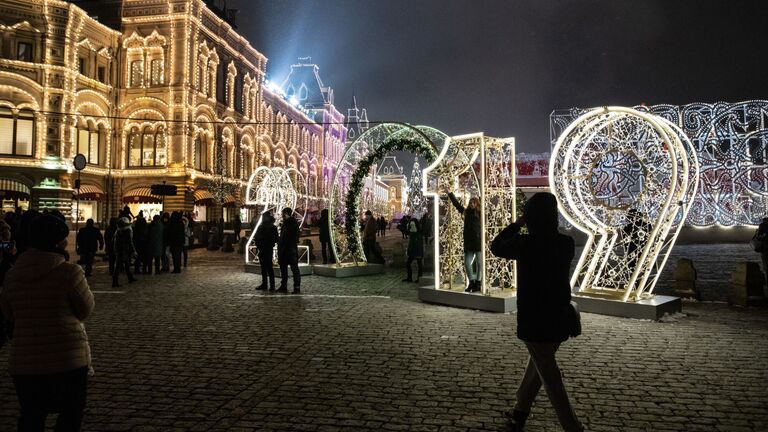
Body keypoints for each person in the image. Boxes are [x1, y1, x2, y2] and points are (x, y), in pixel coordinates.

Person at [490, 192, 583, 432]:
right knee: (538, 365)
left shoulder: (526, 244)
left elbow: (495, 246)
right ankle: (519, 412)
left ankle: (572, 427)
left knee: (551, 379)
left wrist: (516, 224)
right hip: (559, 317)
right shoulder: (566, 243)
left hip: (535, 319)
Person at [0, 213, 95, 431]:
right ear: (57, 241)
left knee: (31, 417)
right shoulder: (70, 272)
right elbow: (85, 309)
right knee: (69, 416)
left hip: (24, 361)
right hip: (67, 358)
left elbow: (8, 313)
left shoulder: (12, 275)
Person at [447, 192, 483, 292]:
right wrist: (450, 194)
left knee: (480, 263)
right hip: (469, 242)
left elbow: (484, 202)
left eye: (474, 202)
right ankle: (472, 282)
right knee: (467, 263)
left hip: (478, 241)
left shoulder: (480, 213)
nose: (471, 203)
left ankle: (478, 283)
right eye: (471, 202)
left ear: (477, 204)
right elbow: (456, 204)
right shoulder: (466, 212)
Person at [277, 207, 301, 294]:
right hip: (286, 249)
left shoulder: (291, 223)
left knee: (294, 268)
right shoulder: (287, 223)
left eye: (283, 213)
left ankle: (296, 287)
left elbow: (289, 236)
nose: (282, 215)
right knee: (284, 268)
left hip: (289, 249)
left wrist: (282, 242)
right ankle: (284, 286)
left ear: (286, 213)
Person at [254, 212, 279, 291]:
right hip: (266, 248)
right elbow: (276, 238)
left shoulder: (265, 227)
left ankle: (268, 284)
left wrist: (259, 244)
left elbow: (257, 237)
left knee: (266, 267)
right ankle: (269, 285)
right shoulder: (270, 227)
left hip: (265, 248)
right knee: (266, 267)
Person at [112, 217, 137, 287]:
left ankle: (130, 277)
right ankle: (115, 281)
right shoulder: (127, 231)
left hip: (119, 250)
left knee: (126, 264)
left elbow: (113, 241)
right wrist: (133, 250)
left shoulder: (118, 231)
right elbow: (130, 242)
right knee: (118, 266)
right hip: (123, 250)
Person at [403, 216, 424, 283]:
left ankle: (419, 278)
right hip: (412, 251)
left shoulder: (418, 233)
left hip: (417, 251)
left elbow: (418, 243)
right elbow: (408, 233)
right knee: (408, 263)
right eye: (411, 225)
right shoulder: (412, 232)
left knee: (419, 264)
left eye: (412, 224)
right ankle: (410, 277)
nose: (411, 226)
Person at [755, 217, 768, 286]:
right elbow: (759, 236)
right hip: (765, 248)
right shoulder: (762, 225)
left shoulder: (762, 225)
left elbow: (758, 236)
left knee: (766, 264)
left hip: (765, 248)